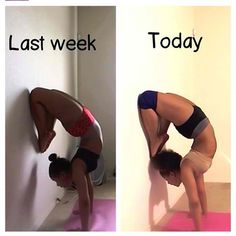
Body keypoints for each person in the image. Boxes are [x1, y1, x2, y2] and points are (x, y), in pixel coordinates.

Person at [137, 90, 217, 231]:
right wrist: (204, 213)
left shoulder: (187, 166)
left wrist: (198, 230)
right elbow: (201, 191)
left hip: (196, 125)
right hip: (198, 126)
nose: (168, 183)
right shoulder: (192, 163)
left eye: (166, 179)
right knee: (164, 99)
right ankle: (160, 135)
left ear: (173, 173)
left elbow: (194, 201)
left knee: (145, 99)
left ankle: (157, 138)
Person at [30, 87, 103, 231]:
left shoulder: (77, 167)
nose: (59, 185)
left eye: (57, 181)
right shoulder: (79, 164)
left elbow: (84, 200)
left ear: (63, 174)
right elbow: (87, 193)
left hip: (86, 128)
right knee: (40, 97)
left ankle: (45, 133)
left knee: (35, 95)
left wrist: (84, 230)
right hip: (88, 128)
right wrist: (88, 212)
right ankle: (46, 132)